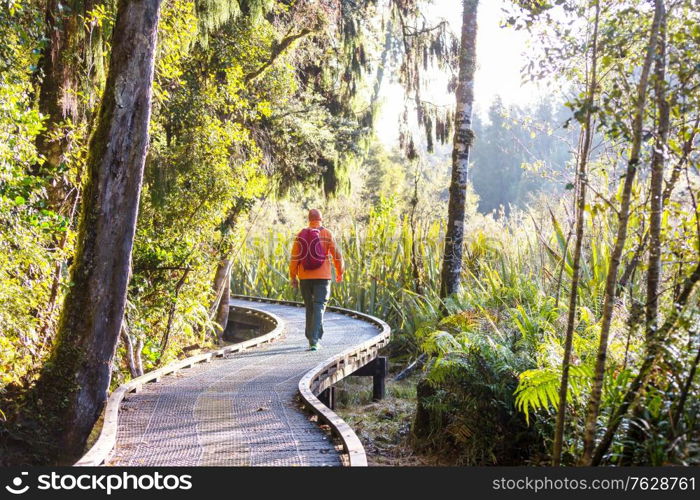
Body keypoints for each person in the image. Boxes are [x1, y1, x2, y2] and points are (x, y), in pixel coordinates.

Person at [289, 209, 344, 351]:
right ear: (321, 219)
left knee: (310, 307)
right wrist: (340, 272)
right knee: (319, 306)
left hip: (305, 277)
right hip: (323, 277)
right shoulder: (326, 233)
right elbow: (337, 255)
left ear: (309, 219)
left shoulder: (301, 235)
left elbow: (294, 257)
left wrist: (292, 276)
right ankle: (314, 340)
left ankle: (311, 338)